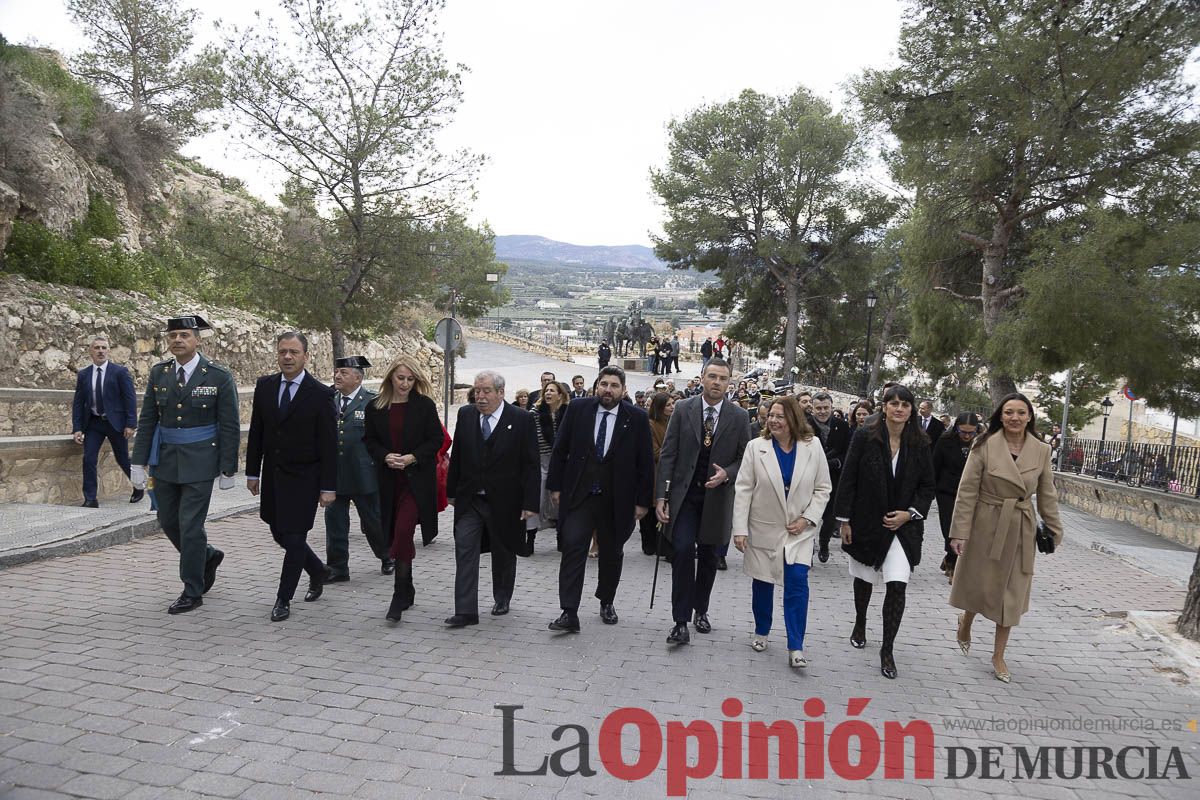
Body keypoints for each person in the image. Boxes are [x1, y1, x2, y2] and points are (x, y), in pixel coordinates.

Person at [949, 394, 1063, 684]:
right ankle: (966, 621)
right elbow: (967, 491)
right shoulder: (984, 444)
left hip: (1020, 528)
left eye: (1021, 412)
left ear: (1029, 417)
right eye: (1009, 412)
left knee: (1011, 594)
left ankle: (998, 655)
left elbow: (1047, 492)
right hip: (986, 522)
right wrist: (959, 531)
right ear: (1000, 416)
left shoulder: (1041, 450)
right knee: (980, 583)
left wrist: (1053, 528)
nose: (1015, 417)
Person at [131, 315, 239, 614]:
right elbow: (148, 419)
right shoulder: (159, 373)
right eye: (173, 335)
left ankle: (193, 589)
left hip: (201, 459)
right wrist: (138, 461)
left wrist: (228, 466)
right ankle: (207, 556)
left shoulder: (217, 375)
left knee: (190, 526)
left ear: (197, 340)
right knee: (168, 521)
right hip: (165, 459)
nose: (177, 340)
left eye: (184, 335)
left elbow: (229, 423)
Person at [834, 384, 934, 680]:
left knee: (897, 584)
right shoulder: (866, 436)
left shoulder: (921, 443)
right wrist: (844, 520)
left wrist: (909, 514)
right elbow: (848, 477)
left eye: (905, 404)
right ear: (885, 407)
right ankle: (860, 622)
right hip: (866, 522)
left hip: (903, 529)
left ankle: (887, 649)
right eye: (894, 403)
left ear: (911, 410)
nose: (900, 408)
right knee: (864, 578)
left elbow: (928, 486)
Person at [546, 365, 653, 632]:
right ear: (597, 386)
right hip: (580, 496)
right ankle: (569, 611)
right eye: (604, 384)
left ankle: (606, 601)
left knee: (611, 553)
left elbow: (645, 463)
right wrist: (556, 487)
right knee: (572, 547)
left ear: (623, 390)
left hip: (617, 500)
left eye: (614, 385)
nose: (608, 390)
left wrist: (642, 501)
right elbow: (560, 450)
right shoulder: (578, 409)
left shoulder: (637, 418)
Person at [655, 358, 751, 645]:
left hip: (718, 499)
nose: (717, 383)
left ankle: (701, 610)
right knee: (683, 551)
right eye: (712, 377)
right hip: (686, 497)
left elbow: (745, 457)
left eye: (723, 378)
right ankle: (680, 621)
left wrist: (728, 474)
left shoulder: (739, 417)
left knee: (709, 557)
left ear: (729, 382)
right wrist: (662, 495)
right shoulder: (684, 409)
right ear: (702, 378)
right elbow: (669, 453)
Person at [732, 397, 831, 667]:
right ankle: (762, 630)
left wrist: (808, 519)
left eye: (780, 416)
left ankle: (796, 645)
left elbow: (823, 489)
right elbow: (743, 489)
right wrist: (739, 529)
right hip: (764, 528)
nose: (773, 420)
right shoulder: (756, 447)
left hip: (799, 531)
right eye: (771, 415)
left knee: (797, 583)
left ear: (794, 420)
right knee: (763, 583)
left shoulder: (813, 447)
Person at [246, 332, 337, 622]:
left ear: (305, 356)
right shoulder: (265, 386)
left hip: (305, 478)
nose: (287, 357)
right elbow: (257, 431)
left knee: (295, 538)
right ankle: (318, 570)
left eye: (293, 352)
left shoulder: (321, 394)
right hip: (273, 475)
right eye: (283, 351)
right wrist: (251, 472)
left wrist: (328, 486)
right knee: (279, 533)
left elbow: (329, 445)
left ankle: (283, 598)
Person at [444, 370, 540, 627]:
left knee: (503, 551)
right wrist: (451, 491)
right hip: (470, 500)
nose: (481, 396)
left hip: (506, 501)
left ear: (500, 392)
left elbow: (531, 464)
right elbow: (459, 455)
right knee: (464, 549)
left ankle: (502, 596)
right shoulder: (466, 415)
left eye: (486, 391)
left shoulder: (520, 419)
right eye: (477, 391)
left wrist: (530, 503)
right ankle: (465, 611)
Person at [364, 354, 445, 622]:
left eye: (411, 379)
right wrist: (385, 456)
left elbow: (436, 439)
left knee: (403, 531)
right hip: (389, 482)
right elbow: (370, 441)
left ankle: (399, 593)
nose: (406, 383)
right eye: (401, 378)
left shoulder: (423, 405)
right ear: (390, 378)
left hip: (416, 481)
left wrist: (411, 457)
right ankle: (408, 586)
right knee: (395, 532)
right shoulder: (375, 406)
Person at [324, 356, 392, 583]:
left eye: (343, 372)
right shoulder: (329, 399)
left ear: (358, 377)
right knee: (335, 523)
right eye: (337, 372)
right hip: (335, 474)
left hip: (364, 473)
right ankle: (337, 567)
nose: (337, 376)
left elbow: (384, 438)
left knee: (373, 520)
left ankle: (387, 556)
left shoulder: (373, 402)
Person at [72, 335, 139, 507]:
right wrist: (77, 428)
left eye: (103, 348)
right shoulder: (84, 374)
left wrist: (131, 424)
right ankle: (90, 498)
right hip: (94, 423)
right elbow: (78, 402)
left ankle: (139, 485)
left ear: (108, 351)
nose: (100, 351)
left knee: (122, 458)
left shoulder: (120, 372)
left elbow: (129, 399)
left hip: (115, 423)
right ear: (90, 351)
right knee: (89, 459)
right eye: (97, 348)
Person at [811, 392, 851, 564]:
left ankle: (824, 542)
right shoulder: (804, 425)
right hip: (809, 479)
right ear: (812, 409)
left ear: (832, 407)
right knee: (809, 515)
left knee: (829, 517)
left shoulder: (842, 426)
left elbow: (848, 451)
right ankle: (807, 549)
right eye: (818, 408)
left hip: (834, 478)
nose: (822, 411)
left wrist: (837, 462)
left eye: (825, 408)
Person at [529, 380, 570, 547]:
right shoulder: (535, 412)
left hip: (561, 462)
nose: (548, 393)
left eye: (552, 391)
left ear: (560, 395)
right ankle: (530, 538)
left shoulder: (568, 412)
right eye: (546, 391)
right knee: (536, 498)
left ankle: (562, 537)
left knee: (560, 501)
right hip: (541, 459)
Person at [639, 391, 675, 555]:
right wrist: (673, 454)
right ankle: (649, 543)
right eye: (668, 405)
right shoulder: (650, 424)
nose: (672, 407)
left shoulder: (672, 423)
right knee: (651, 508)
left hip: (668, 472)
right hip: (654, 472)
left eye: (672, 404)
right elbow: (653, 451)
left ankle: (662, 543)